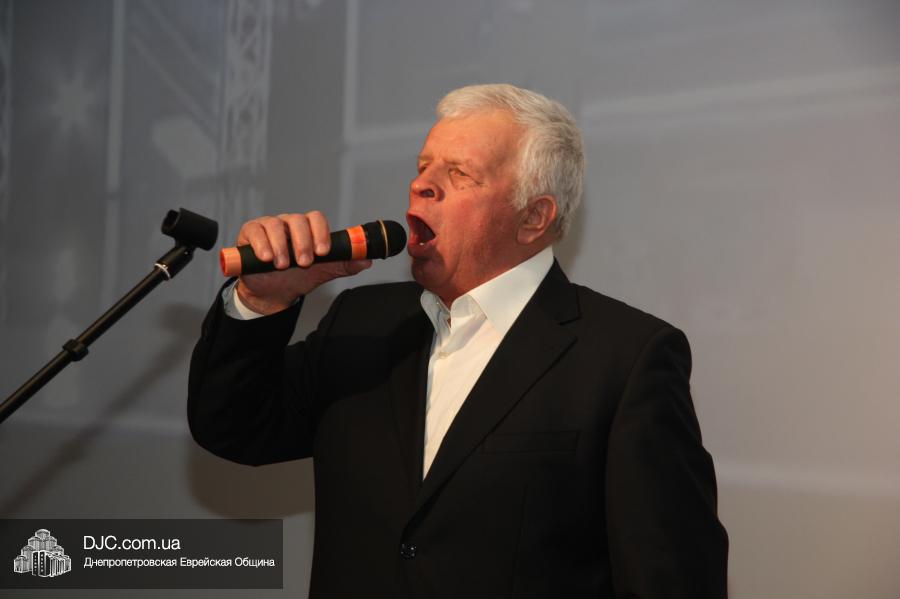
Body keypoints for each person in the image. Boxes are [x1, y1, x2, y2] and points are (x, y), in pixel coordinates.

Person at [188, 83, 728, 598]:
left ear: (533, 217)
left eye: (459, 173)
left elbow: (672, 582)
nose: (421, 185)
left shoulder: (625, 360)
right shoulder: (363, 321)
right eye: (422, 167)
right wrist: (261, 302)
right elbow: (235, 428)